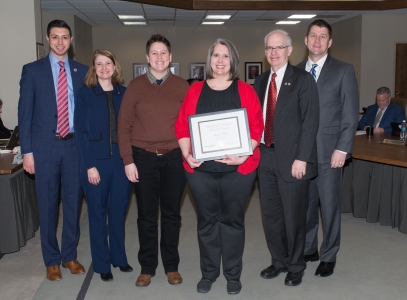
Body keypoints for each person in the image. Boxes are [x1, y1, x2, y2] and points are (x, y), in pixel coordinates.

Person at [175, 38, 263, 295]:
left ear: (232, 60)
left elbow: (256, 127)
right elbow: (182, 126)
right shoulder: (195, 90)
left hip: (237, 171)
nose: (221, 61)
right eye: (216, 56)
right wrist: (186, 153)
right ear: (210, 60)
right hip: (200, 172)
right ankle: (209, 273)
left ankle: (233, 275)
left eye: (225, 56)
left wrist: (244, 154)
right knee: (207, 223)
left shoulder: (245, 90)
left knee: (233, 222)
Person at [18, 19, 88, 281]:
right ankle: (51, 260)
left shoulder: (82, 71)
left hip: (73, 148)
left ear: (71, 41)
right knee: (47, 206)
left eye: (65, 37)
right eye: (55, 37)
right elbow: (24, 114)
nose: (60, 42)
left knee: (72, 205)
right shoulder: (32, 71)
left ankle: (69, 255)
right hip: (45, 149)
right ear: (48, 39)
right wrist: (27, 152)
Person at [118, 34, 189, 287]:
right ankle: (147, 267)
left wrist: (191, 154)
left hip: (175, 159)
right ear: (147, 57)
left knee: (171, 215)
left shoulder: (183, 86)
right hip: (142, 159)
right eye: (154, 53)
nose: (159, 57)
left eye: (164, 53)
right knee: (147, 216)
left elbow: (191, 124)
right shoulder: (135, 87)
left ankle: (172, 266)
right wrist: (128, 160)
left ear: (170, 57)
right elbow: (123, 125)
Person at [253, 29, 319, 287]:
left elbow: (310, 122)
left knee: (294, 218)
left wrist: (302, 158)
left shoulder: (302, 79)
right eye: (269, 48)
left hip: (293, 161)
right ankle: (278, 261)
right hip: (265, 157)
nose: (273, 52)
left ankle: (296, 265)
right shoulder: (260, 81)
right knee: (271, 216)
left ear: (289, 50)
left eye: (279, 47)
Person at [296, 19, 359, 277]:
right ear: (305, 40)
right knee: (306, 206)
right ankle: (309, 248)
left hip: (330, 152)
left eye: (323, 36)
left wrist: (342, 149)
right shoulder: (296, 71)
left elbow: (350, 113)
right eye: (313, 35)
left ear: (330, 42)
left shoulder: (344, 70)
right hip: (303, 155)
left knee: (330, 207)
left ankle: (329, 255)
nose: (317, 40)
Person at [75, 50, 132, 282]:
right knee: (97, 215)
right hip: (95, 163)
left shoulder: (124, 93)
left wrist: (131, 160)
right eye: (99, 64)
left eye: (108, 63)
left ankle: (119, 258)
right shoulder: (85, 94)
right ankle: (102, 264)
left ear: (115, 66)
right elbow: (80, 131)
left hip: (121, 163)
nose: (104, 67)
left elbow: (131, 128)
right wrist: (89, 165)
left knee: (118, 213)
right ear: (93, 68)